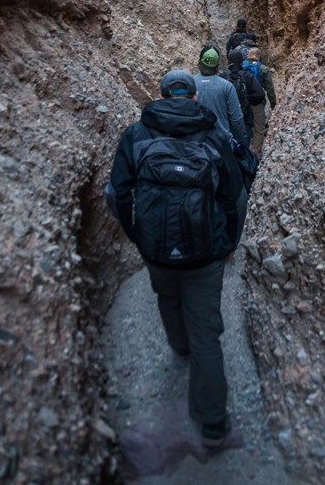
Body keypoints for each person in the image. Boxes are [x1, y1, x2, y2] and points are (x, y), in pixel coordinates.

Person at [108, 69, 243, 447]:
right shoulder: (214, 134)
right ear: (195, 97)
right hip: (206, 252)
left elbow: (118, 193)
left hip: (155, 250)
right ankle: (214, 425)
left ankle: (177, 344)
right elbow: (232, 196)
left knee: (167, 296)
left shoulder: (138, 134)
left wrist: (139, 236)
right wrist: (228, 240)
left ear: (163, 93)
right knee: (208, 334)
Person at [194, 44, 248, 149]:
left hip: (196, 144)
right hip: (222, 145)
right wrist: (243, 143)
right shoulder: (227, 86)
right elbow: (236, 119)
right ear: (217, 65)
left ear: (199, 63)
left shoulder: (190, 83)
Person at [219, 48, 265, 143]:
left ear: (229, 61)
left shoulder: (222, 76)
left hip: (226, 119)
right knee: (243, 145)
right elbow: (260, 95)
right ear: (241, 61)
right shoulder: (247, 76)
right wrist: (248, 100)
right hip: (245, 118)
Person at [243, 47, 277, 158]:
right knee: (259, 129)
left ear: (248, 55)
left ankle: (243, 153)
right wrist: (273, 105)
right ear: (259, 56)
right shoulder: (263, 69)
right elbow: (270, 89)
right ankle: (256, 154)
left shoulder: (241, 66)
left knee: (245, 127)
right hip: (258, 102)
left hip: (244, 102)